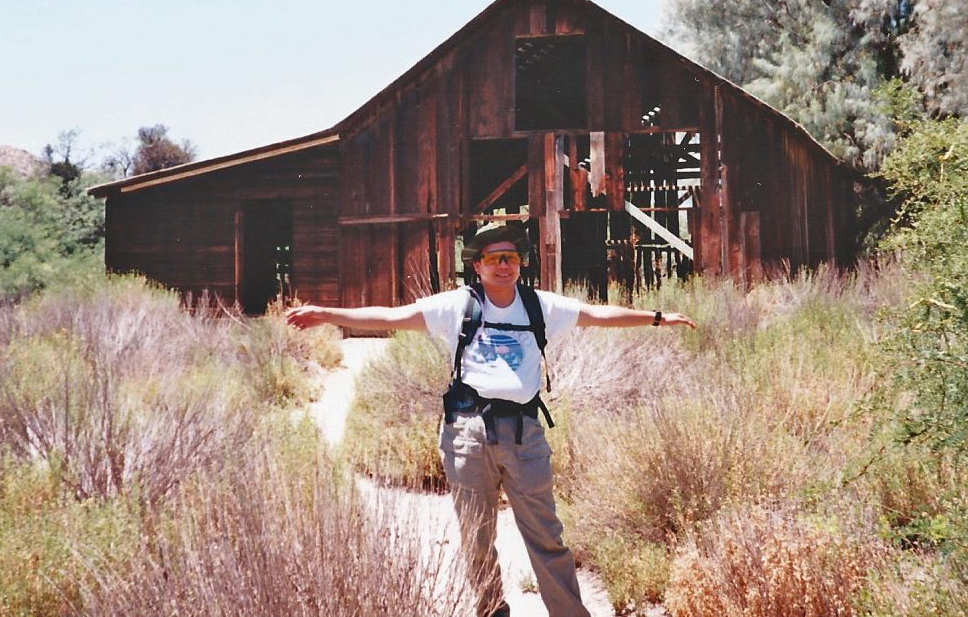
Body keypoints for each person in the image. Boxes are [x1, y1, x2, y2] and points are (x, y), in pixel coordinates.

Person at [286, 223, 695, 617]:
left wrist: (657, 317)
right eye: (494, 258)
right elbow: (391, 317)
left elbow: (598, 314)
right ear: (477, 266)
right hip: (467, 434)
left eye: (512, 257)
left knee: (547, 538)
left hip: (525, 434)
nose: (504, 265)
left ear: (520, 264)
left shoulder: (540, 305)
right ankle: (491, 611)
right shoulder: (457, 305)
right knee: (477, 538)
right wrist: (326, 313)